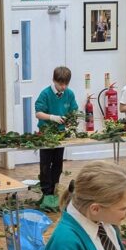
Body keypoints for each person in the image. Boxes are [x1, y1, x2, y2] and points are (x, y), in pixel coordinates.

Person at [35, 66, 79, 211]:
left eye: (66, 84)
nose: (63, 87)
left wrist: (71, 120)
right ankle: (46, 193)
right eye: (61, 84)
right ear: (54, 80)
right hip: (46, 134)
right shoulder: (46, 94)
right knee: (46, 164)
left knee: (58, 163)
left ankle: (54, 190)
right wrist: (52, 117)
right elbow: (38, 113)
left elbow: (74, 110)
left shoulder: (69, 94)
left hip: (60, 135)